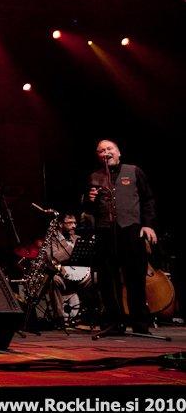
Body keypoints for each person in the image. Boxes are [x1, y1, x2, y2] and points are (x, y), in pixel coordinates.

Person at [86, 139, 157, 335]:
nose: (105, 152)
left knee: (135, 278)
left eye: (109, 149)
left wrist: (148, 225)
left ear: (118, 153)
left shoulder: (134, 171)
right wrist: (89, 201)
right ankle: (113, 323)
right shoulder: (94, 176)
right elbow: (89, 210)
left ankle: (140, 324)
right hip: (105, 232)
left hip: (131, 230)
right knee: (108, 280)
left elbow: (148, 200)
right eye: (101, 151)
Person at [47, 213, 94, 326]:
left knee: (98, 276)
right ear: (60, 224)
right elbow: (55, 257)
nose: (74, 226)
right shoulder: (52, 240)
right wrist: (73, 248)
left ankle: (92, 314)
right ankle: (60, 318)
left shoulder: (77, 238)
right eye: (70, 223)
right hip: (64, 277)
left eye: (75, 223)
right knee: (54, 280)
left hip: (80, 277)